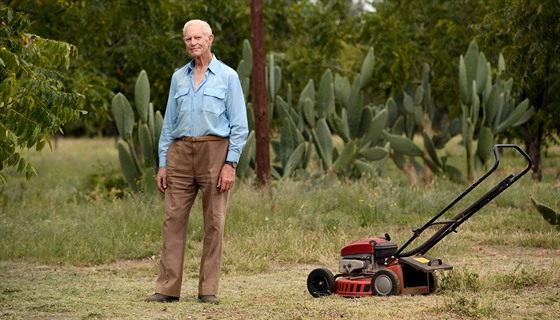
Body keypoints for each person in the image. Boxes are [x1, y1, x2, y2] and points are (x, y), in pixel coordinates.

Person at [146, 19, 249, 304]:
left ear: (210, 39)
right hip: (180, 153)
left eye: (197, 38)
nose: (192, 43)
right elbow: (168, 123)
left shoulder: (228, 77)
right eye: (188, 39)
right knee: (172, 220)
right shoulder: (178, 77)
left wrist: (231, 164)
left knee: (214, 222)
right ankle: (167, 289)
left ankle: (208, 290)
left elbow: (240, 125)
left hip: (215, 153)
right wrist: (163, 162)